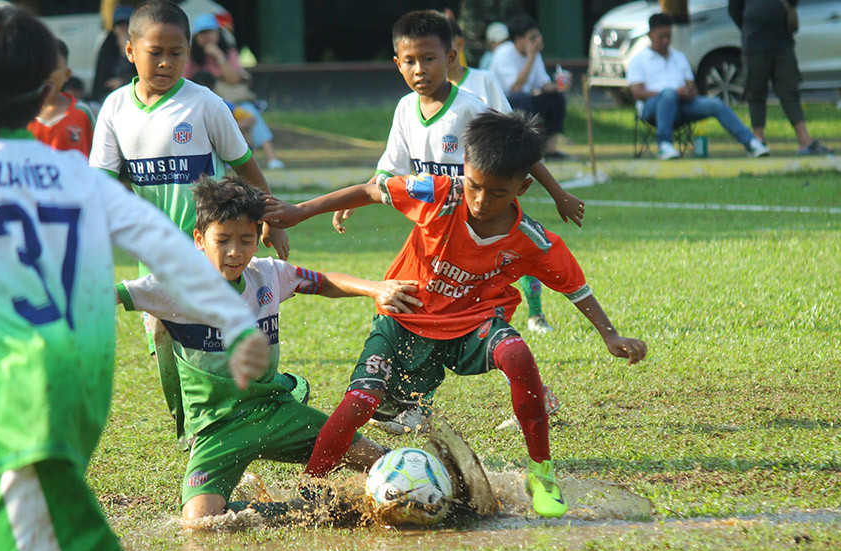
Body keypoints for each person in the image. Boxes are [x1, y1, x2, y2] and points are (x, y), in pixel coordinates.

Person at [0, 7, 269, 551]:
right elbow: (169, 247)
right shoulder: (71, 174)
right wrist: (236, 320)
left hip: (19, 396)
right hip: (80, 389)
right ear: (45, 92)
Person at [265, 110, 648, 518]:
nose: (481, 201)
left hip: (472, 326)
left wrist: (610, 335)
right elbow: (372, 189)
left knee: (517, 354)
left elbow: (576, 288)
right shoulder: (436, 194)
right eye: (475, 186)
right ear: (464, 168)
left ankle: (541, 474)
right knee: (360, 401)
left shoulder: (532, 239)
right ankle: (311, 488)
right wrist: (301, 211)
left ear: (524, 186)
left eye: (497, 193)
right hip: (405, 317)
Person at [116, 177, 423, 527]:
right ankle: (313, 513)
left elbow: (323, 282)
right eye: (223, 241)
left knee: (381, 460)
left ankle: (432, 486)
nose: (235, 252)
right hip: (218, 427)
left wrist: (375, 289)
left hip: (276, 411)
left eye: (246, 240)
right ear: (199, 240)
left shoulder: (267, 275)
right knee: (199, 521)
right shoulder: (172, 285)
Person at [337, 10, 583, 434]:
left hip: (478, 226)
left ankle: (534, 388)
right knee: (426, 310)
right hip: (435, 233)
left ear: (448, 58)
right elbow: (388, 170)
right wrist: (359, 196)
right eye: (410, 61)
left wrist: (558, 192)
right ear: (397, 62)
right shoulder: (404, 110)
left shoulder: (469, 108)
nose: (420, 69)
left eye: (429, 59)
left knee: (487, 303)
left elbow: (517, 146)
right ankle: (415, 402)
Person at [90, 0, 289, 442]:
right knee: (162, 339)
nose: (165, 62)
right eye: (154, 51)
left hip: (211, 248)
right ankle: (191, 423)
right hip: (153, 254)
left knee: (210, 343)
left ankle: (219, 428)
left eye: (176, 53)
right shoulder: (115, 109)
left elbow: (246, 167)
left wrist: (272, 219)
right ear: (129, 51)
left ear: (188, 55)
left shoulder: (205, 104)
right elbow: (99, 186)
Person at [446, 16, 554, 338]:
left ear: (457, 48)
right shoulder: (416, 101)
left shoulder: (482, 83)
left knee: (517, 248)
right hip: (450, 201)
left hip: (489, 192)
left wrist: (557, 192)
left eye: (438, 51)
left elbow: (516, 138)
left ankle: (534, 314)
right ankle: (456, 326)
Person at [628, 13, 770, 160]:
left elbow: (692, 88)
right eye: (661, 37)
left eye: (668, 36)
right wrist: (671, 93)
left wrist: (687, 93)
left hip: (682, 106)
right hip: (652, 109)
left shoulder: (678, 57)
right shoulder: (639, 60)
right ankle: (664, 145)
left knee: (716, 104)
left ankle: (752, 143)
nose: (665, 41)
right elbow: (638, 93)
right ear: (651, 35)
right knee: (668, 94)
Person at [727, 0, 832, 156]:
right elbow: (734, 9)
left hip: (782, 42)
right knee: (755, 92)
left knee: (789, 91)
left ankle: (804, 141)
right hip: (754, 43)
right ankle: (758, 140)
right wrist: (750, 26)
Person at [185, 12, 285, 169]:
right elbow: (186, 80)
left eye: (210, 32)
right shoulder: (191, 56)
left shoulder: (228, 51)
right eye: (202, 33)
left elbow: (233, 79)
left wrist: (218, 56)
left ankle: (271, 158)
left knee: (249, 113)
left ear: (217, 33)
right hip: (204, 102)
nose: (207, 37)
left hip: (232, 101)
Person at [488, 13, 568, 159]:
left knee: (556, 99)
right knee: (521, 98)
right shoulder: (504, 53)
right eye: (532, 38)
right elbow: (515, 87)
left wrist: (558, 87)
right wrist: (531, 57)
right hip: (504, 104)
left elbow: (543, 83)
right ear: (518, 40)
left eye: (538, 37)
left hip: (526, 101)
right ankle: (526, 149)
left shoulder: (535, 55)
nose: (537, 42)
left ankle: (550, 148)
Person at [28, 39, 94, 156]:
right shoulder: (21, 116)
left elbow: (99, 159)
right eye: (42, 66)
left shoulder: (82, 112)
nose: (48, 73)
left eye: (54, 67)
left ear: (67, 74)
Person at [91, 4, 136, 102]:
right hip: (109, 95)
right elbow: (100, 78)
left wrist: (123, 81)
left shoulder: (141, 46)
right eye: (120, 25)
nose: (123, 29)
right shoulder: (107, 46)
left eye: (126, 25)